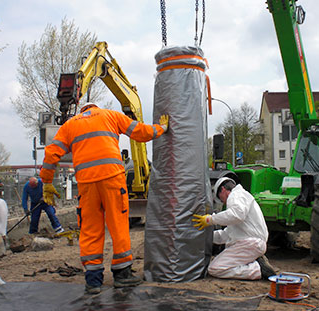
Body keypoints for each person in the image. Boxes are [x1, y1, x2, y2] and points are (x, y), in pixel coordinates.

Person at [40, 102, 169, 294]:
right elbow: (140, 132)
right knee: (118, 224)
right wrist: (161, 128)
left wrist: (47, 182)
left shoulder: (70, 125)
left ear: (83, 110)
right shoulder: (110, 115)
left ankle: (93, 280)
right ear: (95, 107)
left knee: (90, 228)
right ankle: (122, 275)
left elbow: (51, 153)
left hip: (86, 183)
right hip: (112, 179)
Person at [192, 177, 276, 280]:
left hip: (250, 243)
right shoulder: (241, 200)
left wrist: (210, 219)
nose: (223, 202)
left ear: (223, 189)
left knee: (215, 268)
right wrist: (206, 236)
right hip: (252, 243)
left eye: (220, 198)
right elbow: (226, 235)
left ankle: (257, 269)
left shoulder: (236, 195)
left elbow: (237, 214)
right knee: (217, 266)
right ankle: (254, 262)